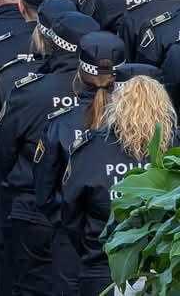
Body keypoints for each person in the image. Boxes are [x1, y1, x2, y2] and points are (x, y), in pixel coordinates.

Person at [62, 74, 177, 296]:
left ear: (117, 105)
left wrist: (92, 248)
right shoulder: (176, 148)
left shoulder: (90, 149)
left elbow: (70, 212)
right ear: (164, 106)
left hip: (102, 267)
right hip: (165, 271)